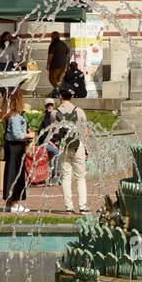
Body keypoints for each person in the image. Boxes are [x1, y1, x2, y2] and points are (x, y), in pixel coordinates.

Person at [55, 85, 90, 215]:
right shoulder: (79, 111)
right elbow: (85, 131)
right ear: (72, 96)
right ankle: (83, 206)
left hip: (64, 147)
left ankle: (68, 207)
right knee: (80, 177)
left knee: (66, 177)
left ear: (60, 96)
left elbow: (54, 131)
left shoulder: (55, 112)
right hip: (77, 145)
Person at [0, 87, 32, 213]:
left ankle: (10, 202)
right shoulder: (16, 116)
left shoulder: (8, 115)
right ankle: (14, 203)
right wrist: (29, 135)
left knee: (10, 174)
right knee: (16, 176)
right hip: (16, 148)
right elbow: (17, 135)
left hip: (10, 148)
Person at [38, 99, 61, 183]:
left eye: (51, 105)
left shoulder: (57, 116)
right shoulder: (44, 118)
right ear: (45, 107)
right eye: (48, 105)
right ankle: (55, 176)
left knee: (60, 151)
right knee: (56, 152)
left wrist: (58, 142)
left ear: (54, 106)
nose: (50, 107)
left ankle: (57, 176)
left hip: (54, 142)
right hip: (45, 143)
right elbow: (44, 136)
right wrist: (52, 144)